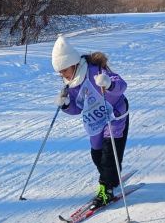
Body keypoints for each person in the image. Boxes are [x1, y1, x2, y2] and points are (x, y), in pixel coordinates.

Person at [52, 35, 129, 209]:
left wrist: (108, 84)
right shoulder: (70, 84)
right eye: (60, 72)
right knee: (97, 156)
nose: (62, 74)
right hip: (94, 121)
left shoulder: (95, 70)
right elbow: (77, 108)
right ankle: (112, 179)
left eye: (63, 70)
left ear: (73, 64)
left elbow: (121, 85)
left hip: (114, 116)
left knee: (109, 156)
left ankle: (106, 189)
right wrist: (66, 105)